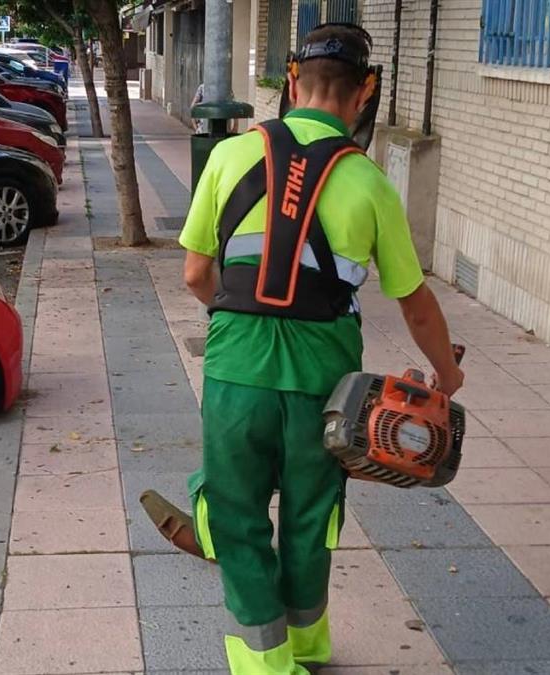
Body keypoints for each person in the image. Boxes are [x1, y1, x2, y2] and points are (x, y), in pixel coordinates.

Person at [140, 23, 464, 675]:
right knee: (313, 515)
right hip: (327, 380)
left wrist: (241, 324)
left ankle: (265, 662)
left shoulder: (230, 156)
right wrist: (446, 373)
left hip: (237, 368)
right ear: (365, 91)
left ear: (291, 82)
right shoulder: (370, 182)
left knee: (236, 512)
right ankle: (309, 645)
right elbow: (416, 303)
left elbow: (196, 275)